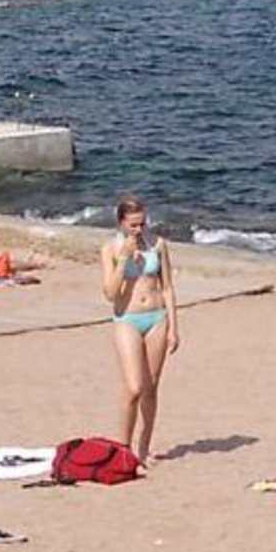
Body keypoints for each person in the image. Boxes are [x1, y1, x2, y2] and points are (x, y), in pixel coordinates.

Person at [102, 195, 179, 463]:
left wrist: (174, 327)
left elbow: (167, 287)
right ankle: (123, 448)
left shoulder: (158, 244)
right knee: (134, 387)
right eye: (133, 225)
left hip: (156, 317)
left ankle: (143, 447)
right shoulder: (111, 248)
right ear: (121, 223)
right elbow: (110, 293)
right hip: (128, 318)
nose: (138, 229)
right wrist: (124, 258)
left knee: (151, 386)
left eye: (142, 223)